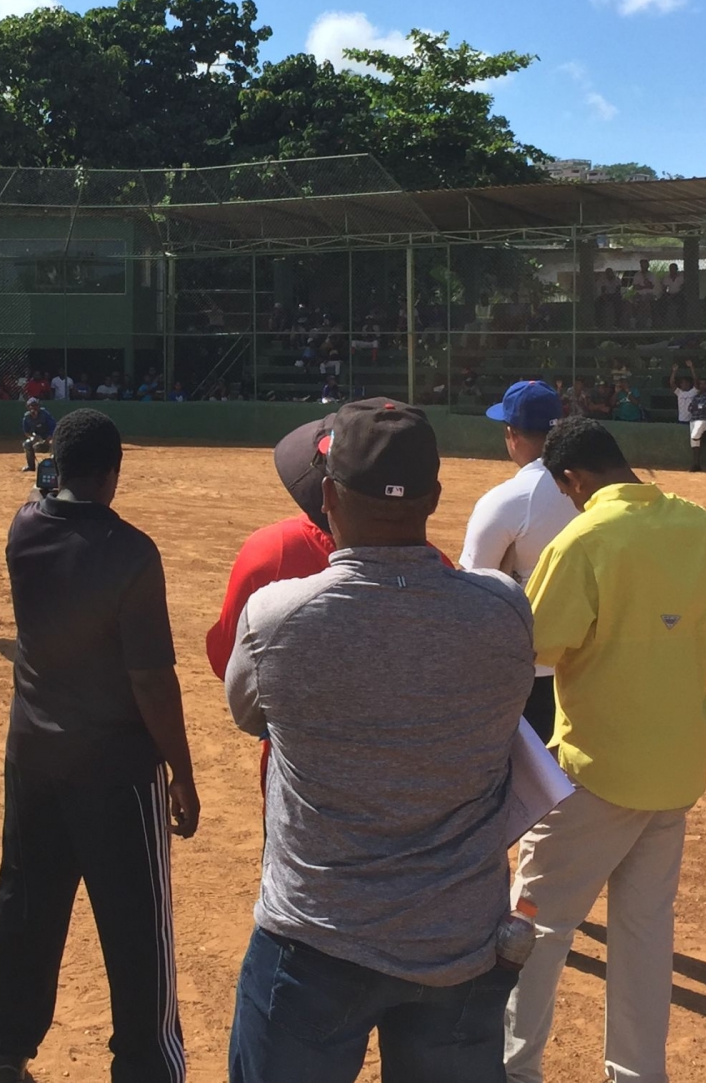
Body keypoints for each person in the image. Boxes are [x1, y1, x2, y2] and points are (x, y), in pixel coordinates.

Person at [224, 399, 532, 1082]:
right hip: (461, 941)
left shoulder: (278, 617)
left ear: (328, 496)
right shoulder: (504, 608)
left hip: (316, 935)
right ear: (436, 498)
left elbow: (249, 713)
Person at [504, 418, 706, 1083]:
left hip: (593, 772)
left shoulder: (585, 538)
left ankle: (513, 1071)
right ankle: (638, 1073)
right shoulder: (700, 525)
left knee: (535, 929)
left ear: (575, 479)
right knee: (643, 934)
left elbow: (535, 646)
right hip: (675, 768)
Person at [0, 409, 195, 1083]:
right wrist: (182, 773)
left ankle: (5, 1044)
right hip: (115, 768)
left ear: (56, 468)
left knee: (28, 899)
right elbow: (153, 683)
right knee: (135, 922)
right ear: (112, 475)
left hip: (34, 750)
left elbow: (44, 500)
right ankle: (147, 1065)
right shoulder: (130, 552)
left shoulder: (21, 528)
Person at [205, 416, 340, 794]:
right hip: (415, 814)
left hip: (298, 785)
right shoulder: (444, 574)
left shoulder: (270, 552)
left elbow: (228, 663)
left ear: (324, 492)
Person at [459, 381, 579, 742]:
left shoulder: (507, 499)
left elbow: (472, 589)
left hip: (527, 668)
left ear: (512, 434)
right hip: (588, 664)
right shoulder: (591, 485)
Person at [19, 396, 56, 472]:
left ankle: (55, 465)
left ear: (38, 406)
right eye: (31, 406)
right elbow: (26, 432)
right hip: (37, 437)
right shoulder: (27, 417)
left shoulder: (45, 414)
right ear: (28, 407)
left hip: (48, 436)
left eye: (35, 405)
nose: (33, 408)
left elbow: (53, 427)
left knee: (55, 444)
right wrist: (33, 438)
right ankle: (31, 466)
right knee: (26, 444)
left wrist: (48, 438)